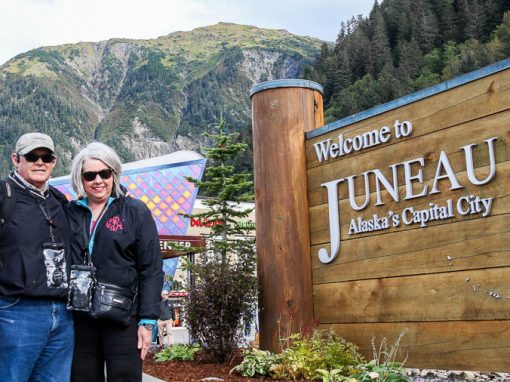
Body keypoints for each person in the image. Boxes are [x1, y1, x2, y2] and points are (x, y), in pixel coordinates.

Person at [66, 142, 163, 382]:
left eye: (105, 173)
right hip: (80, 320)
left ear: (114, 174)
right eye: (90, 175)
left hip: (123, 320)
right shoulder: (69, 212)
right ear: (81, 178)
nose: (98, 180)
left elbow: (151, 269)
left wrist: (147, 322)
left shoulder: (135, 211)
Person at [0, 132, 74, 381]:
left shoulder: (60, 200)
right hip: (16, 311)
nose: (40, 162)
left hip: (63, 313)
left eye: (46, 157)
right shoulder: (3, 196)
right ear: (15, 159)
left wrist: (120, 197)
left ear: (54, 161)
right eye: (32, 156)